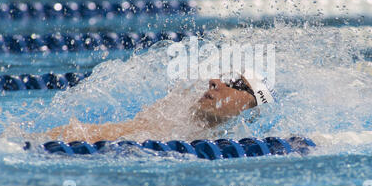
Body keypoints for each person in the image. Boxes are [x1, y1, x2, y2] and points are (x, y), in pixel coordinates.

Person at [46, 70, 276, 143]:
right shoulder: (166, 122)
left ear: (250, 106)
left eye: (234, 83)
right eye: (222, 76)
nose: (215, 81)